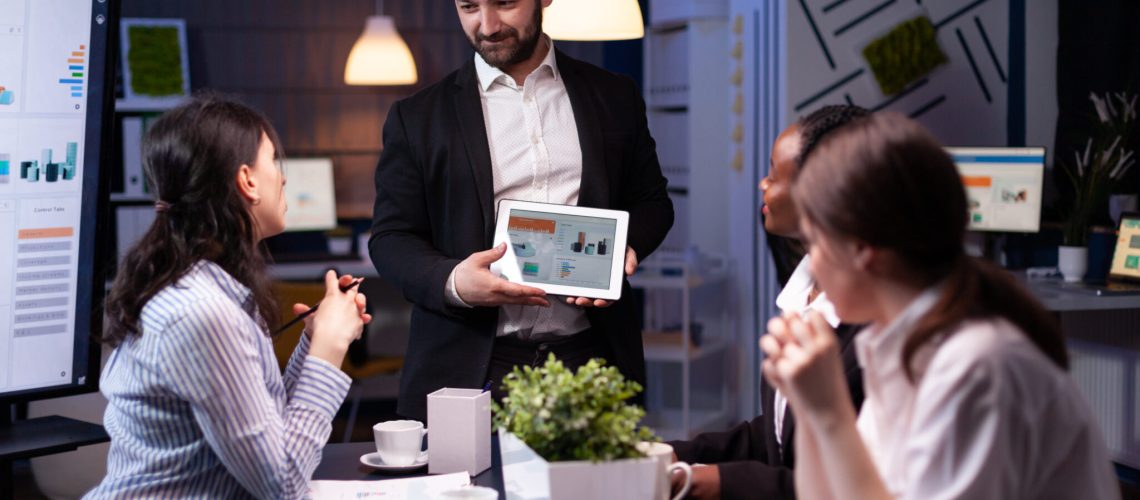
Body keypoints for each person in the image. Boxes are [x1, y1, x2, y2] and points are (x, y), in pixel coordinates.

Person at [761, 112, 1119, 499]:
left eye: (816, 242)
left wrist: (827, 411)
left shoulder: (977, 365)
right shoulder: (893, 348)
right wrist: (813, 410)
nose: (811, 264)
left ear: (863, 249)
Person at [369, 0, 673, 420]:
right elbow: (390, 238)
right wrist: (454, 281)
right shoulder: (416, 118)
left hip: (591, 357)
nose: (488, 25)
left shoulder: (614, 95)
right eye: (469, 6)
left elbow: (653, 202)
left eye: (505, 2)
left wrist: (626, 246)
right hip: (467, 367)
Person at [87, 96, 371, 499]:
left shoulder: (212, 289)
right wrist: (329, 348)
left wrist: (313, 343)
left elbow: (265, 434)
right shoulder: (202, 313)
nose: (283, 177)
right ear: (247, 180)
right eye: (273, 160)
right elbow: (282, 484)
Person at [668, 105, 869, 500]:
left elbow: (859, 484)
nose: (762, 183)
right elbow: (778, 436)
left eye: (774, 174)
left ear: (825, 189)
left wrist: (718, 481)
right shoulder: (801, 294)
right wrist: (677, 454)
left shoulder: (872, 332)